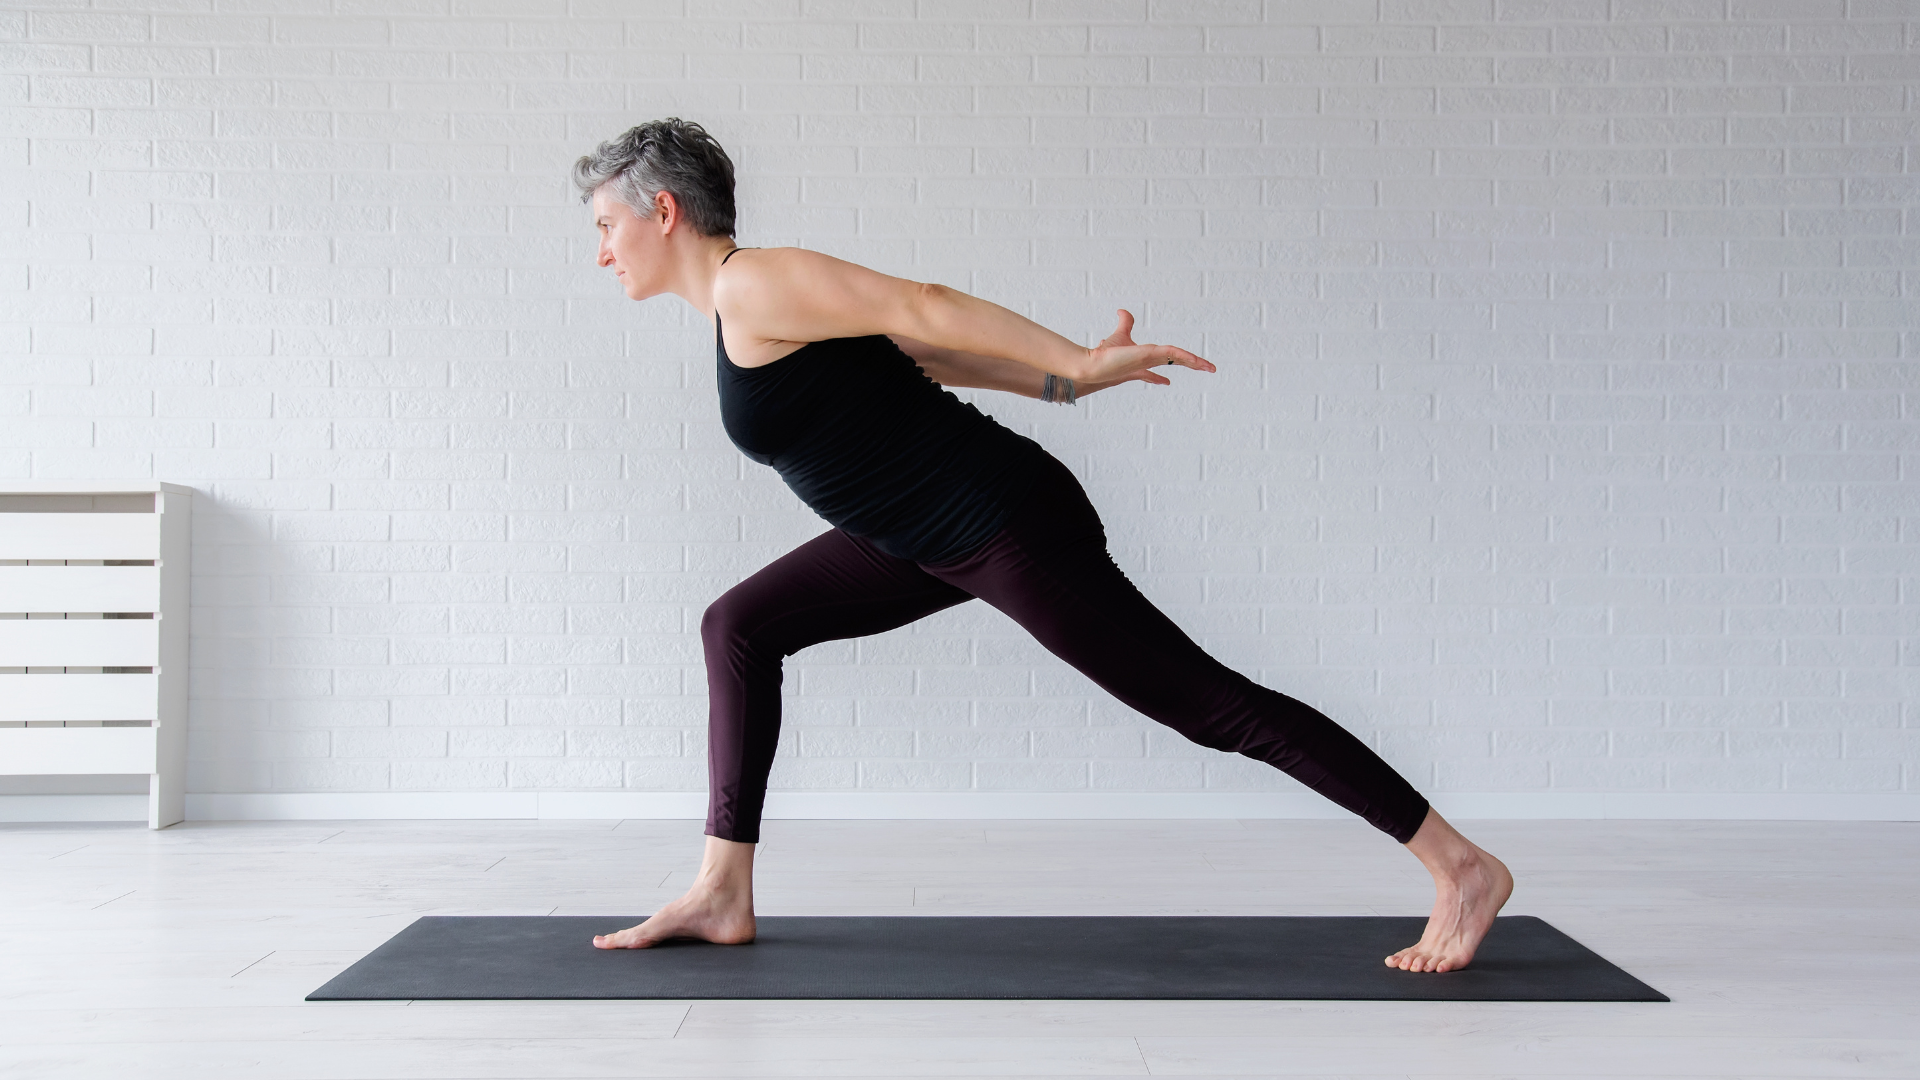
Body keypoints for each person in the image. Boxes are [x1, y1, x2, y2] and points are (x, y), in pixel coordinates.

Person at [573, 118, 1512, 973]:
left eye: (607, 228)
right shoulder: (742, 311)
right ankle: (722, 888)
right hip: (908, 536)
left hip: (1002, 522)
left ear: (663, 211)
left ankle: (1460, 867)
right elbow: (923, 359)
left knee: (1211, 705)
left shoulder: (754, 280)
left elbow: (923, 304)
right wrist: (1066, 390)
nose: (602, 252)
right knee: (739, 625)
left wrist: (1072, 357)